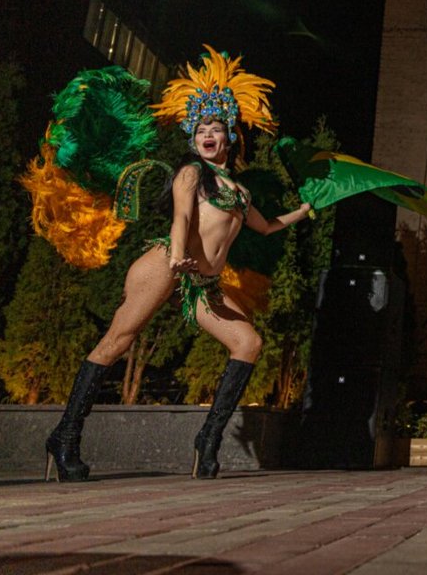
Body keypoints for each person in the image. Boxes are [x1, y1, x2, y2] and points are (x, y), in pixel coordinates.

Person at [44, 48, 312, 482]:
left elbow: (265, 227)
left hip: (200, 283)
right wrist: (174, 254)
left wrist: (301, 211)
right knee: (118, 340)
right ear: (193, 137)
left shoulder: (240, 192)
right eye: (201, 129)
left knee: (248, 342)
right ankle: (65, 434)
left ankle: (208, 440)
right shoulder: (191, 174)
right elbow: (182, 218)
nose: (208, 134)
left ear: (229, 137)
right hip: (167, 265)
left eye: (216, 128)